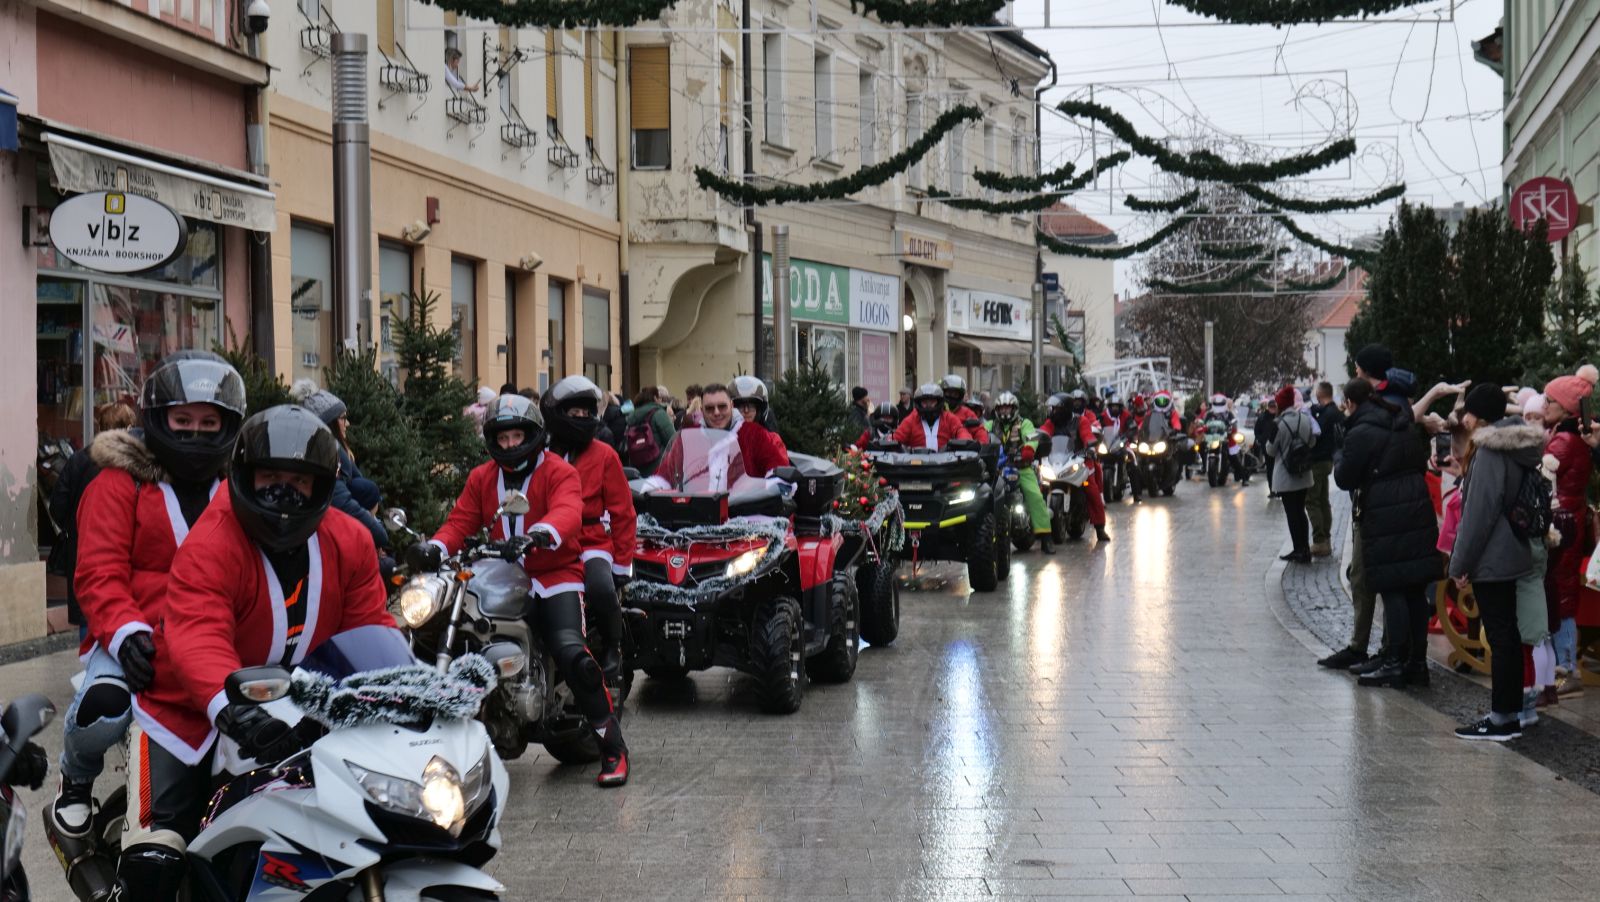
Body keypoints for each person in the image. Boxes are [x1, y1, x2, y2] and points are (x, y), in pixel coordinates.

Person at [117, 405, 394, 899]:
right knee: (157, 856)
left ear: (322, 485)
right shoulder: (211, 541)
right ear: (245, 476)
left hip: (304, 715)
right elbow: (198, 634)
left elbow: (370, 630)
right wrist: (234, 709)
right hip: (189, 716)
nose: (284, 493)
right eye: (270, 478)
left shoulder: (351, 541)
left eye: (299, 481)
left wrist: (401, 694)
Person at [51, 354, 245, 849]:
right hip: (135, 640)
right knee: (104, 705)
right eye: (183, 420)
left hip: (214, 642)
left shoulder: (237, 490)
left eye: (209, 423)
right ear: (159, 419)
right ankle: (76, 775)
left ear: (227, 425)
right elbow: (98, 572)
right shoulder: (119, 482)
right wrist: (126, 634)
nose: (195, 433)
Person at [411, 394, 628, 786]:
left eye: (517, 436)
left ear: (532, 435)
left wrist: (538, 534)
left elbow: (567, 511)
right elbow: (460, 522)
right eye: (503, 437)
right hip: (499, 573)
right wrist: (435, 547)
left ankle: (612, 747)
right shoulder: (482, 477)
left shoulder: (559, 471)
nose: (510, 444)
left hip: (555, 574)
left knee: (572, 653)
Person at [1334, 345, 1439, 689]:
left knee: (1392, 587)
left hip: (1385, 513)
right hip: (1416, 506)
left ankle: (1394, 661)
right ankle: (1417, 663)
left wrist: (1340, 450)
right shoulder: (1401, 418)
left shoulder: (1361, 430)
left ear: (1352, 403)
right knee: (1414, 590)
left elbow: (1345, 477)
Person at [1448, 383, 1547, 740]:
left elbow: (1478, 515)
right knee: (1508, 635)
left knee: (1502, 636)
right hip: (1512, 548)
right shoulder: (1516, 445)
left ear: (1481, 416)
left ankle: (1502, 718)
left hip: (1493, 554)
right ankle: (1510, 714)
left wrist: (1458, 564)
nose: (1464, 418)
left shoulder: (1490, 451)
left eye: (1469, 412)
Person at [544, 376, 637, 693]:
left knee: (600, 586)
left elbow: (623, 512)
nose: (582, 418)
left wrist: (621, 565)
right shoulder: (542, 454)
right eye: (575, 413)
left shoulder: (605, 455)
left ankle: (613, 645)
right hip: (549, 540)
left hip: (591, 540)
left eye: (587, 412)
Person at [48, 401, 137, 630]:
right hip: (126, 554)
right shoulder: (135, 464)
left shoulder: (80, 459)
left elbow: (57, 505)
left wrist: (75, 527)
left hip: (83, 550)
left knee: (88, 615)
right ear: (127, 428)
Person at [1542, 366, 1596, 696]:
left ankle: (1565, 666)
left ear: (1564, 408)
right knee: (1562, 592)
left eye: (1549, 401)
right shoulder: (1573, 438)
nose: (1544, 405)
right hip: (1570, 519)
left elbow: (1541, 478)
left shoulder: (1562, 441)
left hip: (1559, 525)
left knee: (1559, 594)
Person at [293, 385, 391, 560]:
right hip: (333, 546)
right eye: (343, 418)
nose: (348, 423)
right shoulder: (326, 457)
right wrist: (378, 533)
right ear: (329, 422)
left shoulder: (340, 453)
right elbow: (342, 502)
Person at [988, 392, 1053, 554]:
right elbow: (980, 437)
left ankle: (1046, 537)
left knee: (1035, 496)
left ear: (1014, 408)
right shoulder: (990, 425)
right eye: (1001, 408)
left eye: (1007, 408)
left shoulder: (1025, 423)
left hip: (1020, 468)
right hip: (996, 469)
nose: (1004, 411)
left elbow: (1032, 438)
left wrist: (1028, 450)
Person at [1040, 390, 1109, 542]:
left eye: (1056, 408)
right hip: (1056, 461)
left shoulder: (1080, 421)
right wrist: (1035, 441)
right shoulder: (1051, 422)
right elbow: (1043, 433)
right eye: (1052, 408)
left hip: (1079, 460)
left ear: (1065, 409)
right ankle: (1038, 525)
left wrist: (1090, 446)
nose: (1052, 411)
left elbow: (1086, 435)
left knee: (1091, 490)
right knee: (1040, 485)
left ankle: (1100, 527)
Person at [1270, 386, 1316, 564]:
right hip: (1304, 473)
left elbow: (1270, 450)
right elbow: (1312, 442)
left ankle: (1298, 549)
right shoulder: (1305, 418)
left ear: (1281, 405)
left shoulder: (1278, 424)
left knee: (1292, 513)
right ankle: (1305, 548)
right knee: (1300, 510)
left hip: (1285, 476)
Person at [726, 376, 791, 476]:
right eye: (740, 406)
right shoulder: (723, 438)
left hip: (760, 486)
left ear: (760, 409)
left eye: (751, 405)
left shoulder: (770, 440)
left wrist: (774, 480)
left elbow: (780, 472)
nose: (746, 410)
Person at [1307, 382, 1344, 556]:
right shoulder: (1336, 412)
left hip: (1318, 460)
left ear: (1320, 394)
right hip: (1329, 459)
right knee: (1322, 500)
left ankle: (1320, 541)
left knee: (1312, 500)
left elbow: (1316, 433)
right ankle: (1326, 539)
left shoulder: (1326, 414)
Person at [893, 383, 972, 450]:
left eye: (932, 401)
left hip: (946, 462)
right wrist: (890, 442)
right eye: (924, 402)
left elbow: (960, 431)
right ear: (919, 403)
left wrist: (965, 441)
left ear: (939, 402)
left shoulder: (949, 418)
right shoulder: (912, 419)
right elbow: (898, 436)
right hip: (916, 462)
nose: (928, 405)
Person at [623, 385, 677, 475]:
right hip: (658, 466)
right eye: (659, 398)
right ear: (655, 398)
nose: (660, 400)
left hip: (637, 466)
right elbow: (672, 439)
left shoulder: (632, 416)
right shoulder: (658, 413)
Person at [1201, 394, 1250, 485]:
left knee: (1233, 457)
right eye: (1217, 404)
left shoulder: (1228, 414)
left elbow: (1234, 423)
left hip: (1225, 438)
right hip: (1211, 438)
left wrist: (1232, 428)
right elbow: (1204, 423)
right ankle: (1202, 466)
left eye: (1220, 404)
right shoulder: (1209, 414)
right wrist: (1202, 427)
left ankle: (1244, 478)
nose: (1218, 406)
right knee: (1200, 447)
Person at [940, 375, 990, 444]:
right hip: (938, 449)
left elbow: (979, 431)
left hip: (962, 449)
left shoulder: (967, 413)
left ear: (961, 395)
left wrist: (981, 445)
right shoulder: (937, 412)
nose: (951, 396)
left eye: (955, 394)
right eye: (948, 393)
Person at [1255, 398, 1279, 497]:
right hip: (1267, 447)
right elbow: (1257, 431)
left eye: (1274, 407)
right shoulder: (1262, 418)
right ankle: (1272, 490)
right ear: (1268, 407)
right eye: (1271, 407)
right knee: (1270, 469)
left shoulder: (1279, 417)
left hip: (1279, 447)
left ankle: (1279, 490)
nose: (1273, 409)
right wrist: (1261, 439)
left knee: (1278, 469)